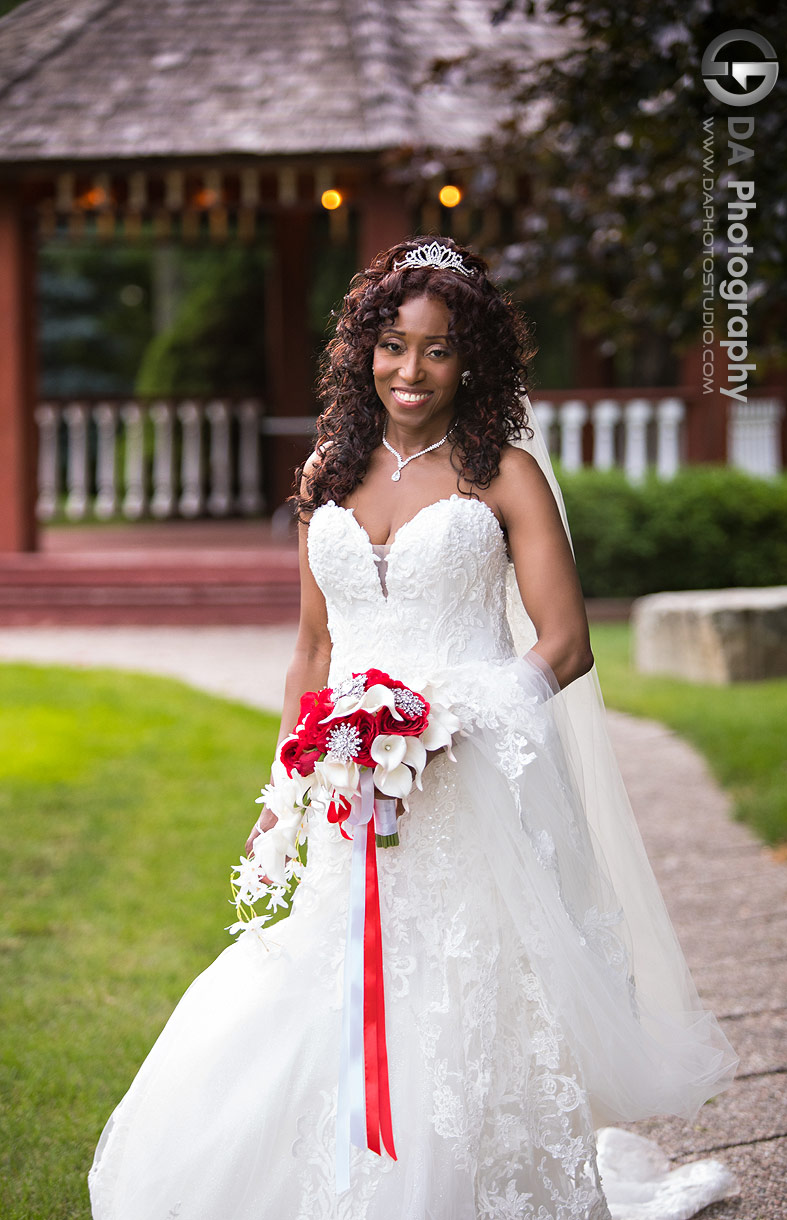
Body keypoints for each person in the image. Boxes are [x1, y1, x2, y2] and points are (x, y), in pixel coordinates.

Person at [89, 236, 738, 1220]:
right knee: (338, 980)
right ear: (363, 347)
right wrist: (286, 790)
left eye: (437, 349)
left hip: (474, 779)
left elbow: (565, 644)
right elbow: (313, 650)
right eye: (393, 344)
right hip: (352, 786)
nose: (411, 370)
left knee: (471, 990)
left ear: (470, 358)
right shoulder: (326, 472)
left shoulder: (501, 472)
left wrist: (452, 721)